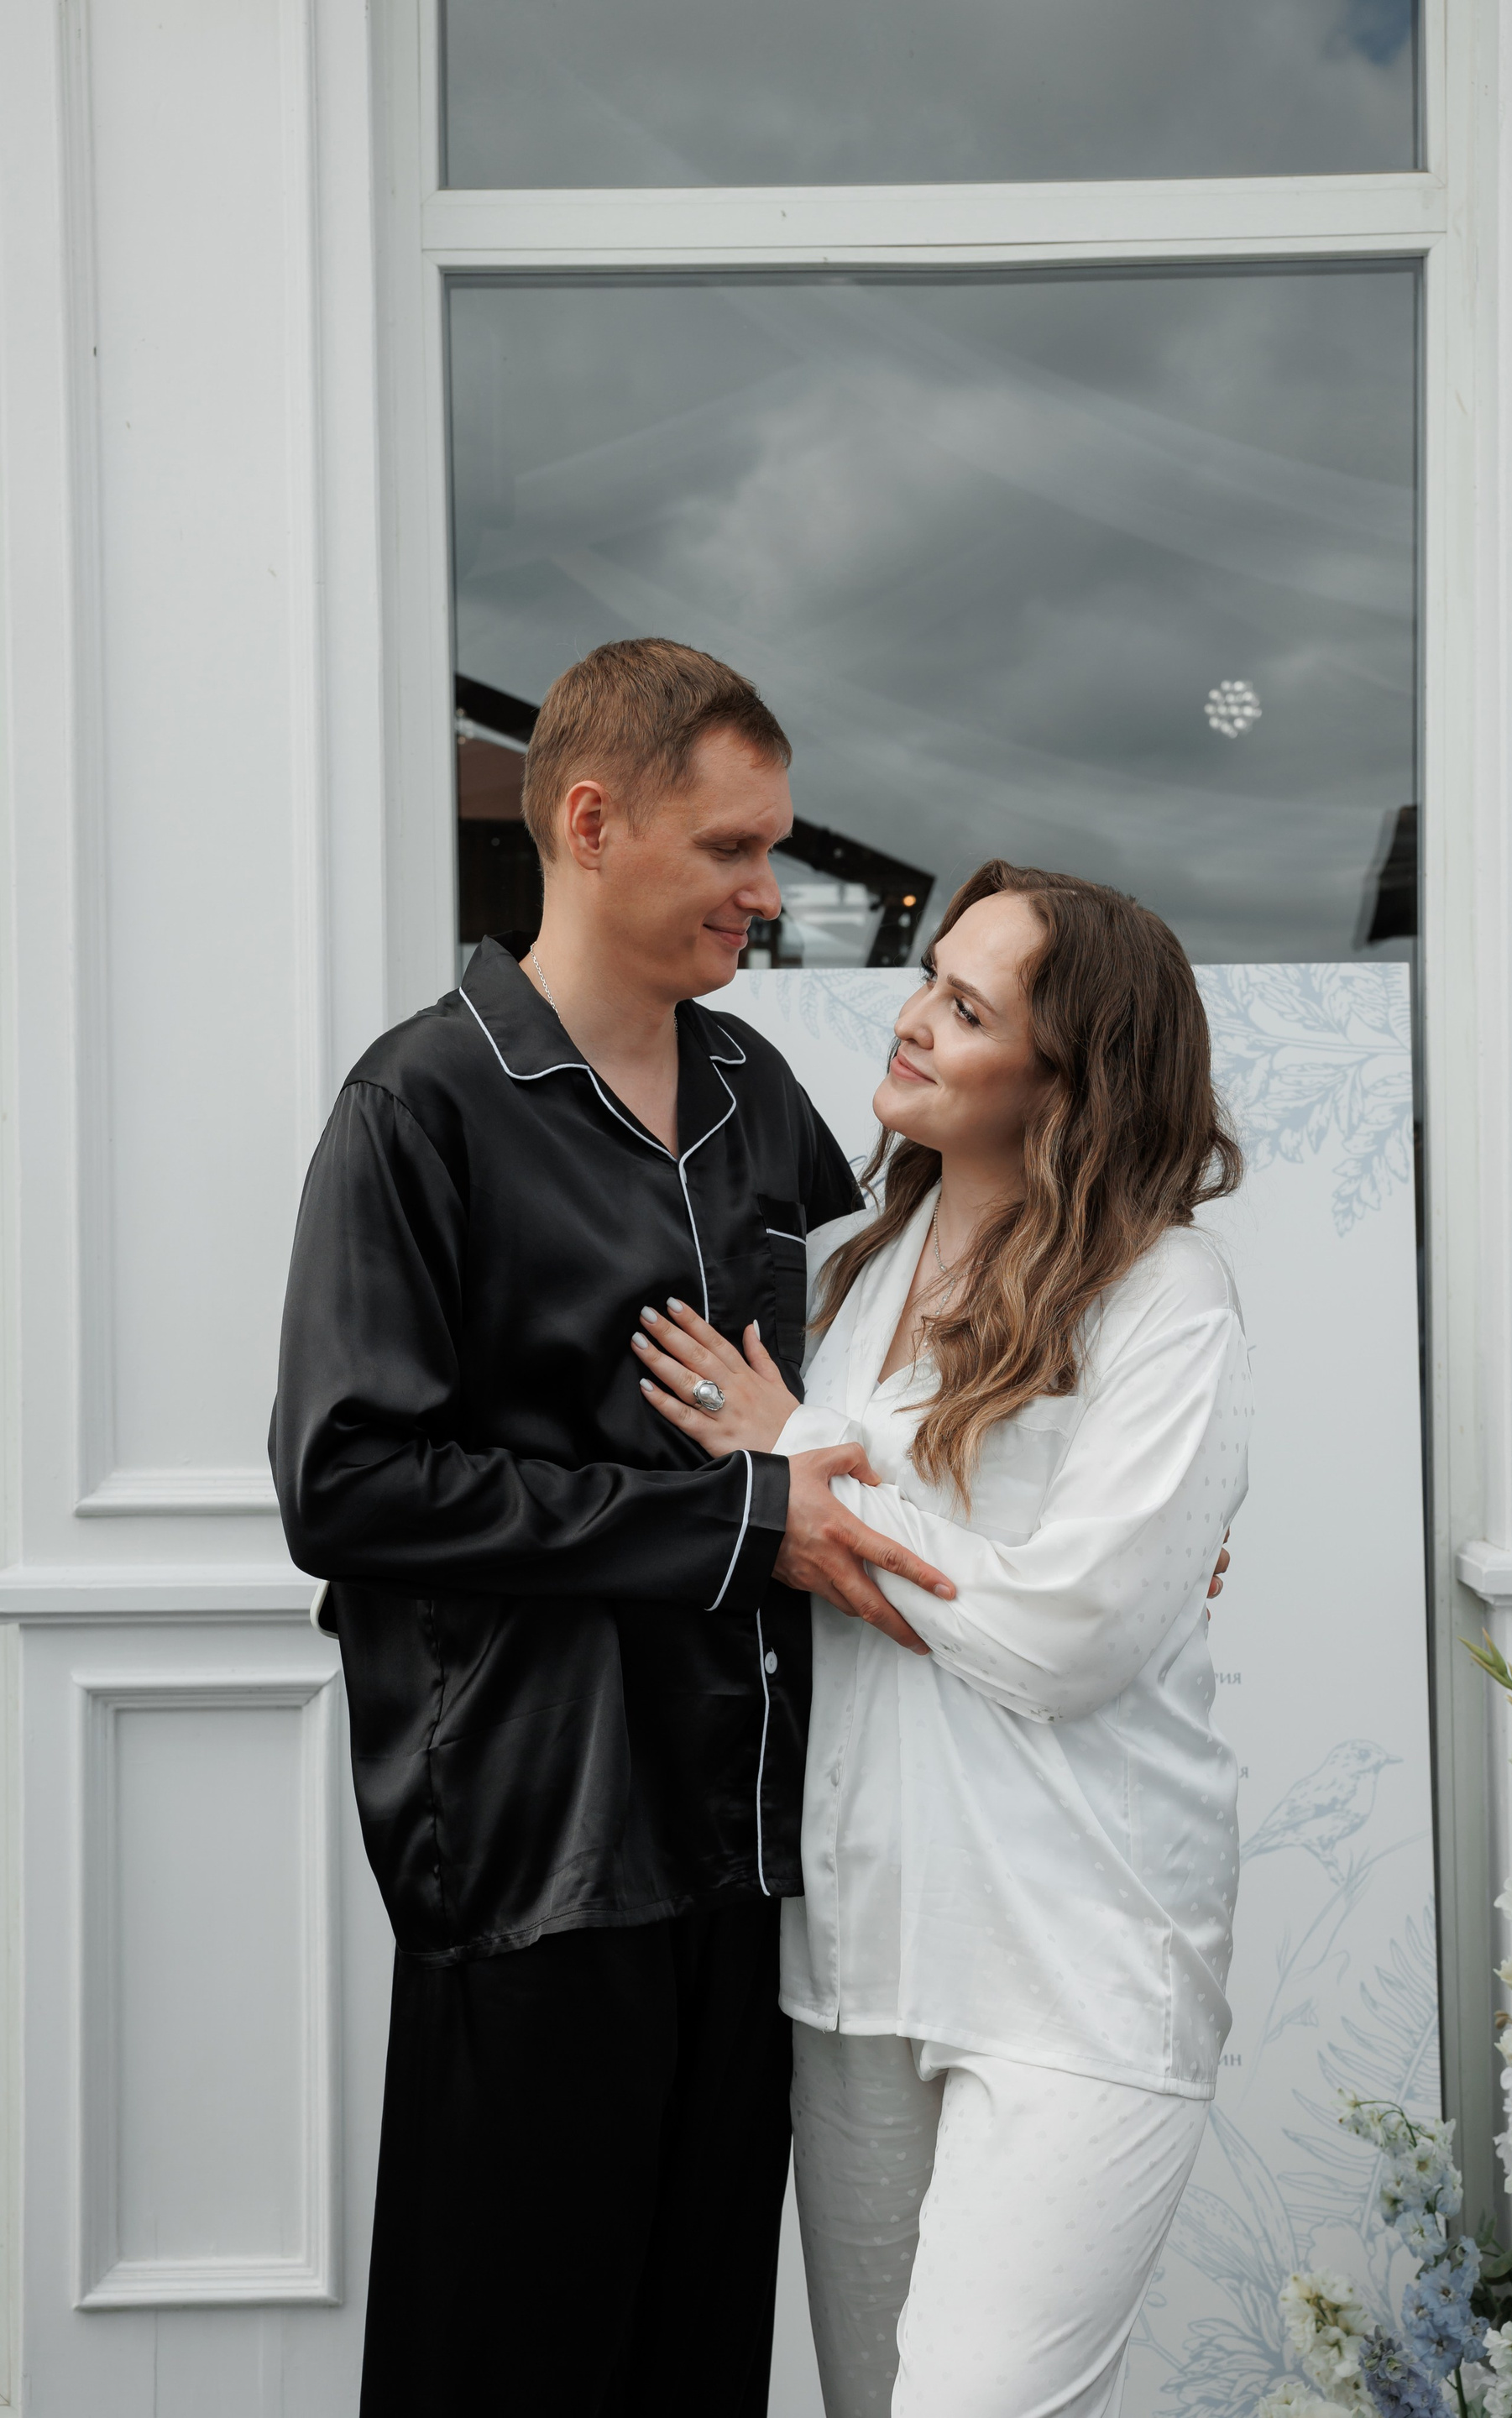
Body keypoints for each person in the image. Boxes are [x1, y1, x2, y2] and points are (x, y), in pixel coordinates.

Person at [267, 637, 958, 2416]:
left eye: (771, 846)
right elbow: (348, 1479)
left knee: (695, 2367)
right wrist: (731, 1525)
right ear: (590, 822)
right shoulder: (420, 1105)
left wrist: (1077, 1504)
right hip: (537, 1850)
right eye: (732, 846)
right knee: (511, 2372)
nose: (768, 889)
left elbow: (874, 1382)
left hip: (756, 1844)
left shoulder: (755, 1098)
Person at [633, 860, 1250, 2418]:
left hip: (1077, 1962)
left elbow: (1068, 1638)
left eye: (967, 1011)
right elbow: (785, 1547)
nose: (911, 1020)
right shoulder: (855, 1272)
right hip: (858, 1967)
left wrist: (803, 1465)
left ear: (1069, 1082)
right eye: (929, 980)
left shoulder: (1164, 1298)